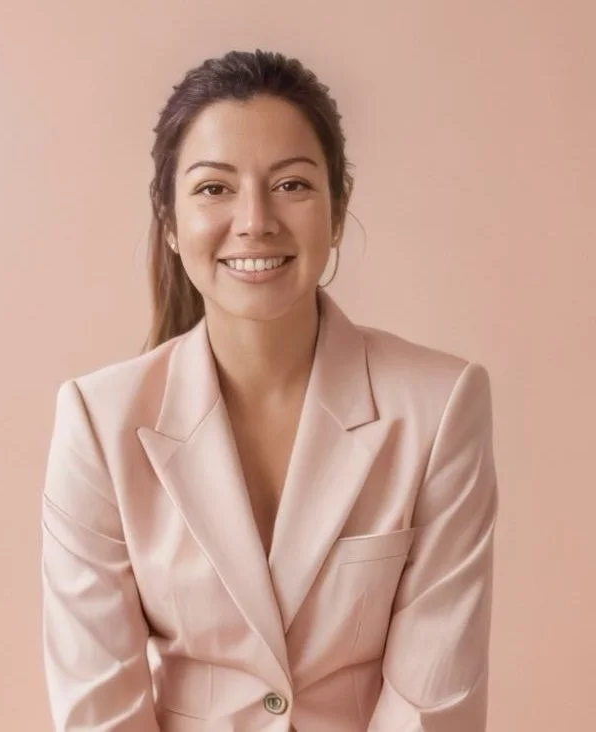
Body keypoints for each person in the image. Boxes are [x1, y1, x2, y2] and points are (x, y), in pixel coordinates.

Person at [41, 49, 499, 731]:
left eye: (291, 184)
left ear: (337, 211)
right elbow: (98, 709)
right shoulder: (98, 422)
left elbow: (433, 703)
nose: (255, 220)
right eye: (213, 188)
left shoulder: (441, 405)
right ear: (169, 222)